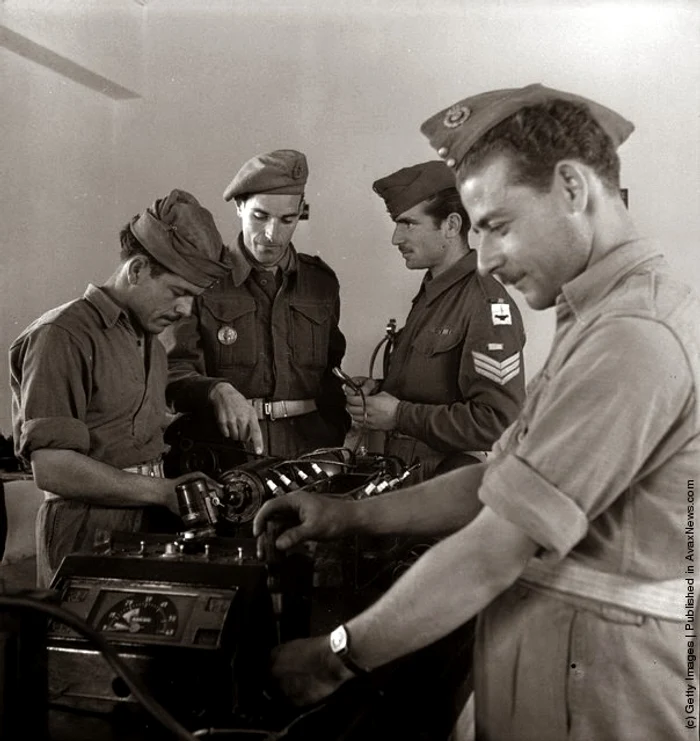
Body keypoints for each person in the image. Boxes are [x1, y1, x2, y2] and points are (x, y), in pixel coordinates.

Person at [253, 83, 699, 741]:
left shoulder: (630, 335)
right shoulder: (603, 316)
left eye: (496, 224)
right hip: (564, 680)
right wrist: (350, 514)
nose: (484, 256)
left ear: (573, 188)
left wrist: (336, 655)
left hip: (607, 701)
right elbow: (500, 478)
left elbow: (495, 548)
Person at [10, 189, 231, 588]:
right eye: (179, 292)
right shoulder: (62, 335)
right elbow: (54, 468)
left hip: (142, 521)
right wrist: (163, 491)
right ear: (138, 269)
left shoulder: (148, 338)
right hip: (85, 529)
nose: (185, 310)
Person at [163, 149, 350, 460]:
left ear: (300, 212)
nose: (271, 234)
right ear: (239, 207)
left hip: (310, 453)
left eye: (287, 219)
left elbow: (331, 374)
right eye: (260, 216)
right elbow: (171, 369)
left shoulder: (321, 283)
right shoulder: (202, 278)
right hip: (228, 454)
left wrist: (337, 432)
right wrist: (214, 390)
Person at [346, 161, 525, 482]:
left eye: (408, 224)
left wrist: (399, 416)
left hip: (444, 487)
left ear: (452, 226)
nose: (395, 238)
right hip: (406, 479)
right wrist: (377, 391)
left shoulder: (485, 302)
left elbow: (496, 422)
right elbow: (429, 387)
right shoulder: (433, 293)